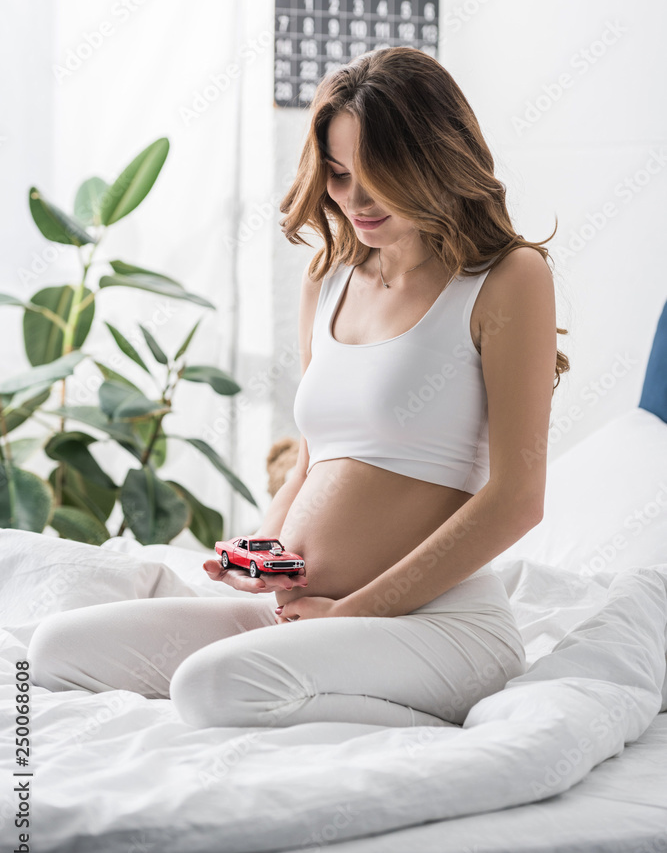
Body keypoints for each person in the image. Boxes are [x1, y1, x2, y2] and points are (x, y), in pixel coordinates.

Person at [28, 47, 569, 729]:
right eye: (339, 176)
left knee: (211, 687)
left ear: (436, 161)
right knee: (58, 651)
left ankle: (434, 719)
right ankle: (311, 675)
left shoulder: (507, 278)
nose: (354, 201)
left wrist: (347, 614)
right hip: (308, 610)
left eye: (380, 178)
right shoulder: (331, 274)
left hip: (439, 627)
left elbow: (517, 501)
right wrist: (262, 553)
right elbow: (315, 460)